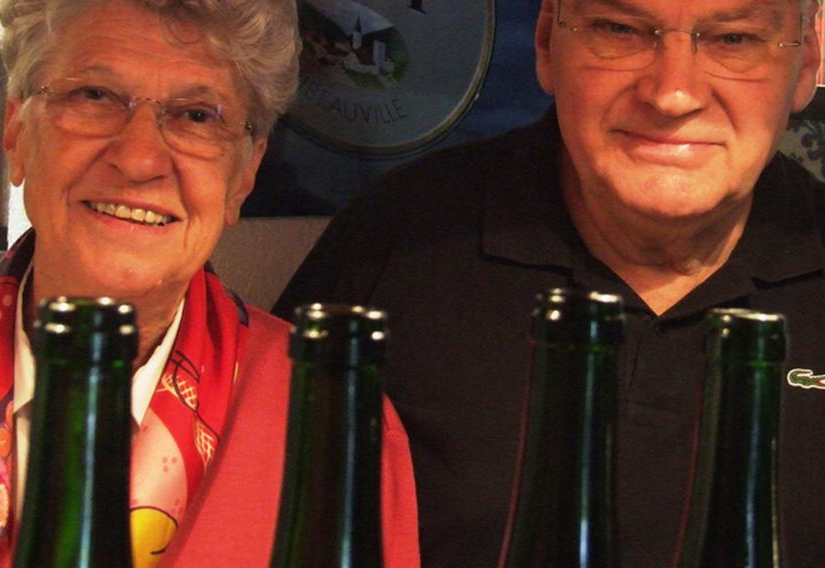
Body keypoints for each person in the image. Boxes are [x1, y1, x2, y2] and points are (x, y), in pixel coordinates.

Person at [273, 0, 825, 566]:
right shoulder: (397, 238)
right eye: (618, 30)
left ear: (806, 61)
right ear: (545, 43)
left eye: (734, 40)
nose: (672, 94)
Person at [0, 0, 420, 566]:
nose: (138, 159)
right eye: (94, 96)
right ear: (15, 133)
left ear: (245, 174)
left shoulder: (335, 420)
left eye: (198, 115)